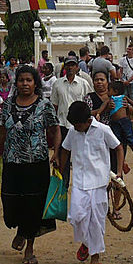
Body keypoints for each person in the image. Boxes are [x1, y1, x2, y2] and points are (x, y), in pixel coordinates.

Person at [0, 65, 61, 264]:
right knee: (11, 203)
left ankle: (29, 246)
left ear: (35, 83)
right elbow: (2, 132)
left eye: (29, 80)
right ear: (16, 83)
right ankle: (20, 229)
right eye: (21, 80)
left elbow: (55, 130)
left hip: (35, 163)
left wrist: (56, 152)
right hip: (12, 163)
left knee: (33, 205)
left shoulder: (44, 105)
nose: (25, 84)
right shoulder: (8, 105)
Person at [58, 100, 124, 264]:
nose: (76, 128)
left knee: (96, 219)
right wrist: (60, 170)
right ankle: (87, 243)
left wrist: (117, 174)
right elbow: (65, 149)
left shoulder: (103, 130)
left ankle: (95, 256)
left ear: (88, 121)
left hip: (100, 182)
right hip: (80, 181)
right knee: (76, 216)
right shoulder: (73, 132)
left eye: (78, 125)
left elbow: (118, 147)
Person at [49, 55, 93, 185]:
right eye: (68, 65)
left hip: (79, 125)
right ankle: (64, 183)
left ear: (77, 67)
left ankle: (84, 182)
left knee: (81, 154)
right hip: (62, 124)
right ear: (64, 67)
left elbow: (88, 103)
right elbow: (54, 105)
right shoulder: (57, 84)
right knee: (64, 155)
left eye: (73, 65)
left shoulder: (83, 83)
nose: (70, 67)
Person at [103, 81, 133, 171]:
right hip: (124, 122)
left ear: (115, 91)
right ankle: (132, 161)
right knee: (129, 142)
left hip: (117, 123)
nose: (107, 92)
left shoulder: (114, 99)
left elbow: (103, 107)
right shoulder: (121, 98)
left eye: (109, 90)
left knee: (121, 143)